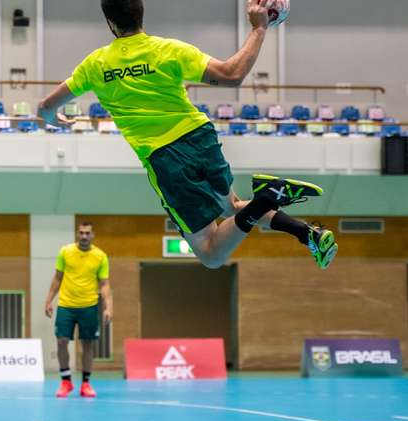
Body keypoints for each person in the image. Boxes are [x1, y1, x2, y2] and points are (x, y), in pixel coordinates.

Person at [37, 0, 338, 270]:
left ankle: (268, 197)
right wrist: (259, 29)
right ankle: (308, 233)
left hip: (165, 159)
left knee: (211, 254)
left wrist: (55, 119)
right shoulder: (169, 50)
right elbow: (231, 74)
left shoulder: (95, 64)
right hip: (199, 137)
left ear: (110, 23)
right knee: (231, 208)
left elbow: (45, 107)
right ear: (141, 14)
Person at [44, 222, 112, 398]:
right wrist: (48, 300)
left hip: (88, 306)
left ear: (92, 235)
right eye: (81, 233)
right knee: (61, 341)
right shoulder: (65, 252)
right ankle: (66, 381)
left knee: (87, 344)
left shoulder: (100, 256)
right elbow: (57, 278)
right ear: (77, 234)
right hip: (66, 305)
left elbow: (104, 284)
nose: (84, 236)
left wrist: (108, 307)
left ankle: (86, 384)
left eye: (87, 233)